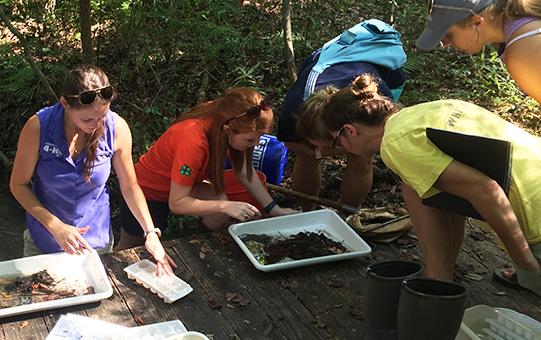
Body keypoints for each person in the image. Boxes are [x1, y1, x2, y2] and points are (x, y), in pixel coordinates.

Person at [311, 74, 541, 295]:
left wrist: (526, 264)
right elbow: (453, 199)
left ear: (349, 131)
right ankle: (440, 278)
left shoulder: (395, 143)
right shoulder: (423, 113)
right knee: (412, 185)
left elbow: (486, 189)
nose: (340, 148)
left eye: (337, 140)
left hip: (536, 225)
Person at [10, 65, 176, 275]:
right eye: (87, 119)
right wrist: (54, 225)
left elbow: (130, 185)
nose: (96, 125)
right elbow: (18, 185)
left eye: (102, 116)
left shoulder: (117, 129)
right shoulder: (38, 127)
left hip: (94, 241)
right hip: (44, 237)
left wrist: (150, 232)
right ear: (64, 104)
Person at [117, 87, 299, 250]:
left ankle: (200, 248)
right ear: (228, 130)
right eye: (251, 140)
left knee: (219, 210)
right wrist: (227, 206)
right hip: (147, 192)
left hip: (181, 186)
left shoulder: (228, 115)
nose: (256, 144)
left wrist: (275, 210)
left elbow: (244, 170)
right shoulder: (192, 142)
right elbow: (177, 202)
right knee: (129, 250)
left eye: (259, 138)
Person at [277, 19, 407, 211]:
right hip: (329, 60)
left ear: (346, 129)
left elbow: (366, 149)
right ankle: (307, 212)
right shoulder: (293, 109)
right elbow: (293, 145)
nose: (321, 148)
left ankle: (347, 217)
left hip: (381, 69)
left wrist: (324, 150)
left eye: (331, 142)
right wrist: (316, 152)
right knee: (307, 156)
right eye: (315, 143)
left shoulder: (377, 104)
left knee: (361, 157)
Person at [416, 0, 541, 103]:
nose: (446, 43)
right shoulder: (509, 33)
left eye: (449, 35)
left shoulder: (523, 51)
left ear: (477, 22)